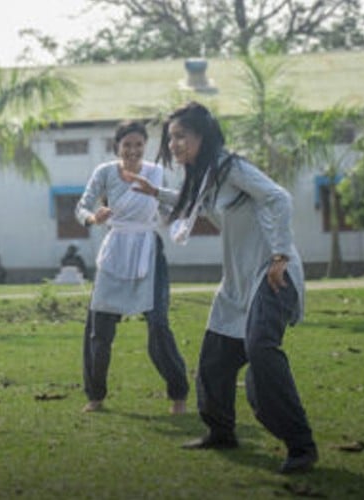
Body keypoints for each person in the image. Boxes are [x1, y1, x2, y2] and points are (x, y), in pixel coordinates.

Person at [127, 101, 317, 474]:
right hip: (238, 282)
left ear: (203, 135)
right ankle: (221, 431)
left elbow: (279, 197)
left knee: (261, 348)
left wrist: (280, 255)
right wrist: (154, 192)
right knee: (215, 359)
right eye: (171, 138)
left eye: (181, 136)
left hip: (273, 274)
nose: (175, 144)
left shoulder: (233, 167)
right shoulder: (205, 178)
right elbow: (189, 205)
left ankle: (301, 445)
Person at [76, 120, 189, 414]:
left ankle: (179, 395)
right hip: (115, 250)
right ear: (117, 147)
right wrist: (93, 218)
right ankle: (95, 396)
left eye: (139, 144)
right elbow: (82, 207)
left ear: (145, 146)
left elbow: (172, 207)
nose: (133, 150)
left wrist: (176, 223)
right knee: (98, 328)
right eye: (127, 144)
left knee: (158, 325)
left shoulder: (156, 173)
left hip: (148, 250)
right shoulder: (104, 173)